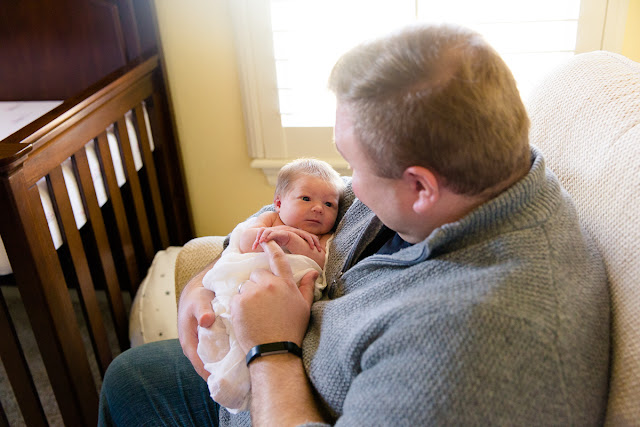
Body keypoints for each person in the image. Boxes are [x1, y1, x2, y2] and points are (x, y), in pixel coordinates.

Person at [99, 23, 610, 426]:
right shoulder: (485, 162)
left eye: (355, 167)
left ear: (421, 187)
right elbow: (311, 201)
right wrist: (211, 271)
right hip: (274, 354)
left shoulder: (469, 346)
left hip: (275, 383)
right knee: (131, 378)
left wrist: (271, 349)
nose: (349, 186)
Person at [197, 158, 344, 413]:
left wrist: (290, 238)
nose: (318, 208)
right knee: (226, 321)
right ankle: (221, 366)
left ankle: (236, 384)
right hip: (248, 280)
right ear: (278, 203)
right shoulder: (270, 219)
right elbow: (244, 241)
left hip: (288, 295)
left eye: (329, 204)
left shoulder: (326, 236)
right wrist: (273, 235)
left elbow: (320, 261)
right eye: (306, 199)